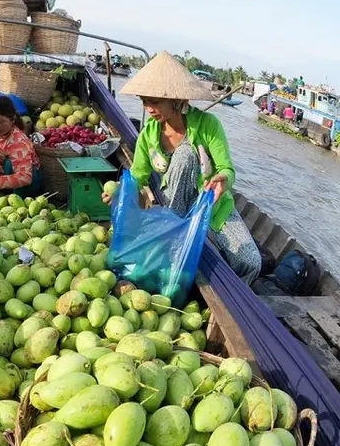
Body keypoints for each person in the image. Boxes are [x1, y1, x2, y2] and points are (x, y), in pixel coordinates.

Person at [102, 51, 261, 285]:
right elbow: (138, 175)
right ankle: (173, 239)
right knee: (185, 155)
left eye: (155, 102)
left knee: (251, 263)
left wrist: (223, 180)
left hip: (210, 206)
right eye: (145, 102)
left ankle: (229, 289)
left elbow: (227, 169)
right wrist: (119, 189)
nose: (149, 109)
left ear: (177, 100)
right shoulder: (149, 135)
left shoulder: (208, 125)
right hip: (174, 210)